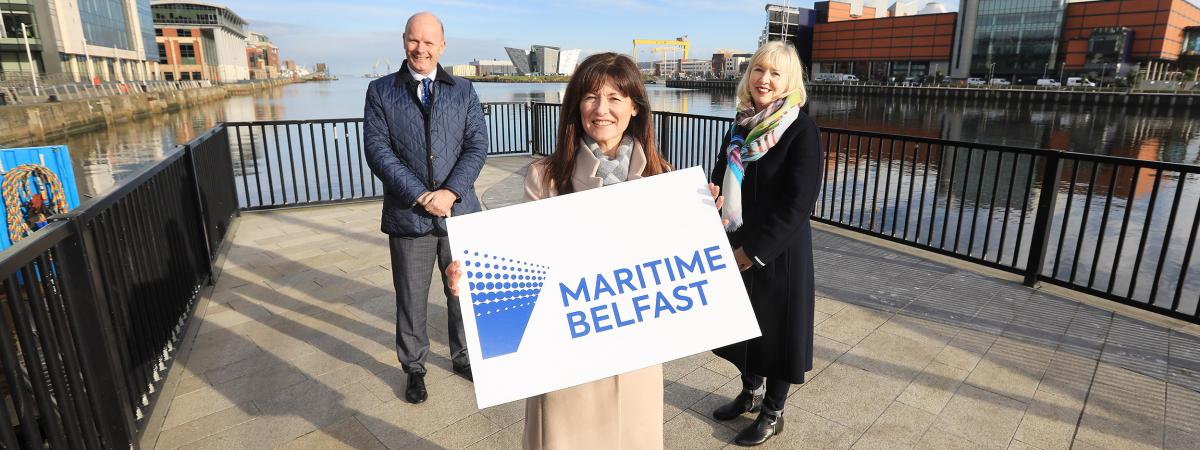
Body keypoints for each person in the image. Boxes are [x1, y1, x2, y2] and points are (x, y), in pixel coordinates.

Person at [448, 52, 723, 449]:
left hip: (634, 356)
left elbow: (683, 265)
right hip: (567, 357)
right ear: (577, 105)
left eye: (615, 98)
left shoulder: (662, 177)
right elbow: (525, 258)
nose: (602, 109)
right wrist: (475, 277)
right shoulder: (546, 175)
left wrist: (703, 222)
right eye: (591, 97)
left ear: (634, 107)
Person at [363, 11, 487, 404]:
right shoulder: (381, 91)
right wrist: (421, 195)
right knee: (411, 297)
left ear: (443, 46)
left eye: (430, 42)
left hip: (460, 212)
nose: (421, 49)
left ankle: (464, 358)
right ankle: (414, 368)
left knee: (463, 294)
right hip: (408, 214)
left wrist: (450, 192)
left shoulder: (463, 91)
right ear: (404, 41)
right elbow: (378, 151)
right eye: (415, 40)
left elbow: (477, 146)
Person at [708, 41, 822, 446]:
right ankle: (750, 392)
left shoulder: (800, 130)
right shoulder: (741, 125)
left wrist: (752, 252)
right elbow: (722, 175)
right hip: (736, 241)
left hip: (778, 252)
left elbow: (798, 204)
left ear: (789, 82)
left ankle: (773, 413)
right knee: (745, 326)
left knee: (777, 334)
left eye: (775, 73)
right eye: (759, 70)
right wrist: (709, 195)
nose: (765, 80)